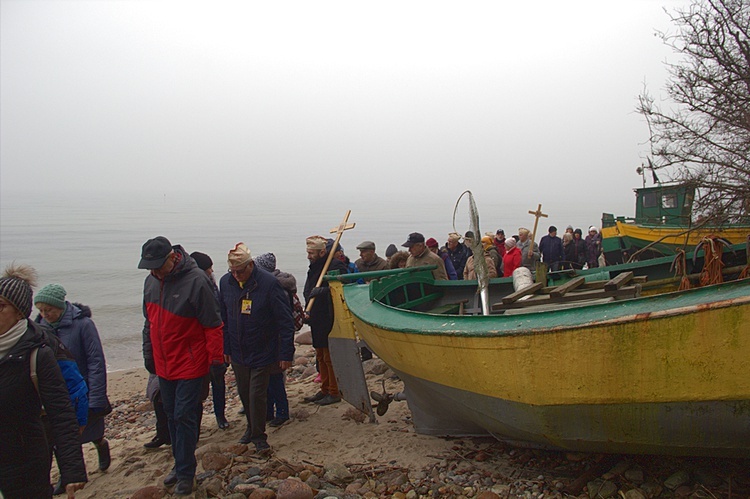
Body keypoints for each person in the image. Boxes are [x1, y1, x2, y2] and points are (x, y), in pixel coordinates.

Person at [140, 236, 224, 495]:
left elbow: (213, 325)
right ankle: (179, 464)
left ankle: (186, 472)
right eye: (149, 266)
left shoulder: (197, 280)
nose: (153, 271)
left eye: (157, 265)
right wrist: (148, 354)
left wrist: (216, 360)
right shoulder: (151, 282)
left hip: (191, 362)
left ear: (172, 258)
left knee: (184, 416)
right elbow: (149, 323)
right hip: (164, 365)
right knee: (170, 415)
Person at [0, 264, 87, 498]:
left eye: (1, 306)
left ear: (19, 312)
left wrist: (72, 471)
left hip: (24, 460)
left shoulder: (38, 353)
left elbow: (61, 412)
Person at [34, 283, 111, 490]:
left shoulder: (83, 324)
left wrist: (96, 396)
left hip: (82, 389)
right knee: (61, 436)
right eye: (40, 310)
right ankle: (68, 476)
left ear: (60, 307)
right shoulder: (39, 327)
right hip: (56, 392)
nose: (44, 314)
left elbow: (95, 360)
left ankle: (101, 445)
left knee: (91, 430)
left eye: (48, 310)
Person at [220, 243, 295, 453]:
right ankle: (251, 428)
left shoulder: (269, 284)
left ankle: (259, 436)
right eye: (232, 271)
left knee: (257, 395)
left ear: (251, 265)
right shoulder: (226, 283)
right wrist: (225, 347)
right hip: (238, 351)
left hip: (263, 350)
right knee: (244, 393)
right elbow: (223, 318)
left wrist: (285, 352)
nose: (236, 276)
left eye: (240, 271)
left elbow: (285, 321)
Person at [253, 252, 299, 427]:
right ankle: (269, 411)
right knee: (269, 377)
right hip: (268, 338)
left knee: (275, 378)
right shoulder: (274, 285)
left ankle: (281, 412)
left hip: (276, 338)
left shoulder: (276, 288)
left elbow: (283, 319)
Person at [303, 235, 348, 406]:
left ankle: (334, 391)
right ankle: (325, 388)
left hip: (329, 315)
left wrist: (322, 292)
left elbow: (342, 286)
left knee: (328, 355)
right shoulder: (314, 267)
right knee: (320, 354)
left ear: (322, 252)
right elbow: (309, 287)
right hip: (316, 315)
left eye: (312, 253)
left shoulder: (335, 265)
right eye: (308, 252)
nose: (309, 256)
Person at [189, 251, 229, 430]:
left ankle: (220, 416)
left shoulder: (212, 285)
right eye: (208, 269)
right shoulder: (195, 286)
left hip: (216, 343)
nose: (211, 271)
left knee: (218, 383)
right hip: (199, 347)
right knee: (198, 389)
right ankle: (196, 424)